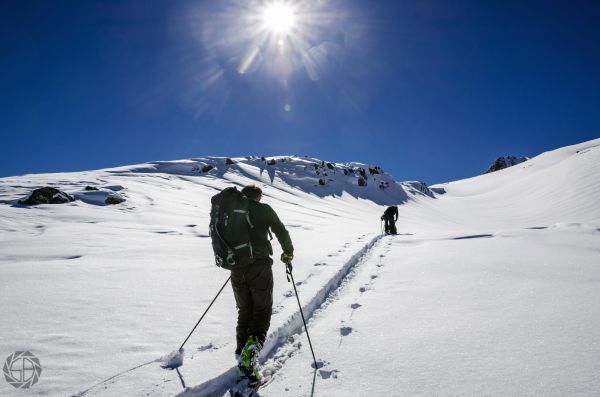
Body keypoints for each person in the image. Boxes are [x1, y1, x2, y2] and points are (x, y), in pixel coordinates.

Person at [232, 184, 294, 383]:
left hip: (237, 268)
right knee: (262, 311)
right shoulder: (263, 208)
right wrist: (288, 252)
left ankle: (242, 354)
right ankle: (248, 361)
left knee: (244, 311)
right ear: (258, 196)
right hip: (259, 266)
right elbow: (280, 231)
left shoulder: (232, 212)